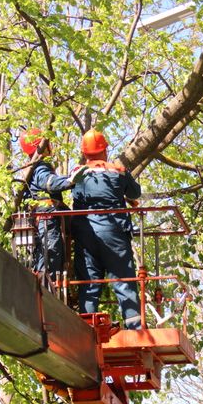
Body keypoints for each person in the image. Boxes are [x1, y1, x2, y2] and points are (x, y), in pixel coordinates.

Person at [70, 129, 142, 329]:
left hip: (85, 234)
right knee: (123, 280)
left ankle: (87, 330)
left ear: (85, 153)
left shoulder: (77, 173)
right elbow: (136, 191)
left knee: (89, 283)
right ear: (105, 150)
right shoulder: (117, 171)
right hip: (113, 232)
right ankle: (134, 329)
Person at [19, 128, 86, 275]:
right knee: (50, 259)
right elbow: (49, 182)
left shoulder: (30, 168)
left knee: (47, 258)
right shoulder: (41, 166)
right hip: (46, 220)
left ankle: (47, 288)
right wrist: (69, 180)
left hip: (42, 220)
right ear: (43, 146)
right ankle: (47, 291)